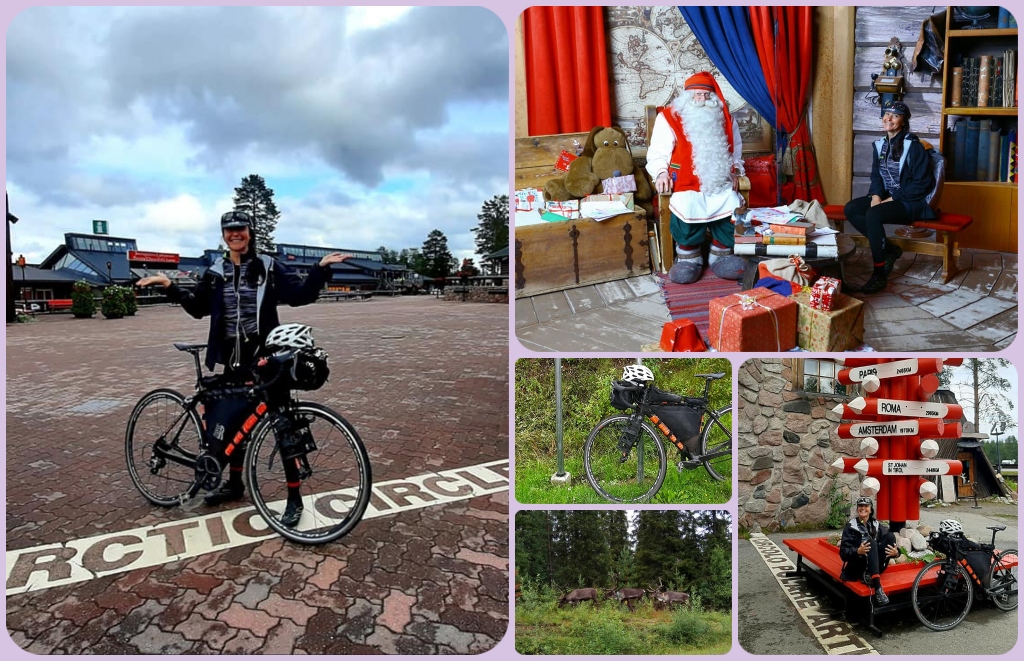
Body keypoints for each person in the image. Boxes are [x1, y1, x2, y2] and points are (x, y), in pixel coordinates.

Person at [137, 210, 350, 526]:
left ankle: (294, 498)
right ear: (223, 235)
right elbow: (197, 308)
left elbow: (300, 295)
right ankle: (234, 484)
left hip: (266, 358)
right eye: (229, 230)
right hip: (232, 360)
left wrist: (319, 270)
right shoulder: (216, 271)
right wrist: (168, 284)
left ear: (250, 232)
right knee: (234, 423)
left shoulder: (268, 266)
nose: (235, 234)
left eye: (241, 229)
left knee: (283, 427)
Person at [645, 71, 748, 284]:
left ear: (713, 98)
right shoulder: (669, 118)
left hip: (719, 181)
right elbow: (658, 151)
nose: (700, 99)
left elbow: (736, 150)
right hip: (684, 183)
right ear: (686, 96)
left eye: (705, 95)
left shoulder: (725, 118)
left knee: (731, 203)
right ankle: (688, 257)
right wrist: (661, 172)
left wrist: (736, 170)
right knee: (687, 205)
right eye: (696, 95)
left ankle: (721, 253)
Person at [843, 100, 936, 294]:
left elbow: (923, 183)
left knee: (873, 215)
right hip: (890, 197)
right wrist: (876, 196)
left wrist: (892, 199)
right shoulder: (880, 145)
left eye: (895, 115)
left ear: (903, 121)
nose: (889, 118)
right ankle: (889, 250)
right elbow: (876, 176)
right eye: (886, 114)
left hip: (912, 202)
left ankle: (879, 273)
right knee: (851, 208)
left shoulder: (914, 146)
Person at [839, 496, 899, 605]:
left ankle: (871, 575)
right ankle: (878, 588)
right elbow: (843, 553)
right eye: (860, 506)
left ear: (870, 509)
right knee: (871, 542)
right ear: (857, 509)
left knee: (890, 536)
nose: (863, 508)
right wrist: (857, 550)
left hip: (875, 565)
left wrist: (896, 553)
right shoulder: (850, 527)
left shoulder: (877, 525)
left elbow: (888, 543)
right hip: (858, 565)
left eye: (866, 506)